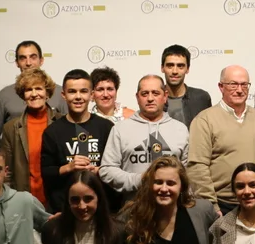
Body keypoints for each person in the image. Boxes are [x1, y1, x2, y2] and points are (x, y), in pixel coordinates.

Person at [100, 75, 190, 203]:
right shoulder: (120, 129)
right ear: (137, 97)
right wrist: (140, 180)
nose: (150, 98)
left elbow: (187, 172)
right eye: (144, 94)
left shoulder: (180, 129)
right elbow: (107, 170)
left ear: (165, 96)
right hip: (133, 207)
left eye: (155, 93)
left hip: (172, 208)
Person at [187, 65, 255, 215]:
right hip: (222, 204)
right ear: (221, 87)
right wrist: (211, 206)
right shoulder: (204, 120)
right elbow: (197, 167)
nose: (239, 90)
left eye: (244, 84)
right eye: (233, 84)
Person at [41, 68, 116, 213]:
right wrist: (69, 167)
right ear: (63, 95)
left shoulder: (106, 127)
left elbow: (117, 167)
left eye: (83, 91)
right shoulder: (52, 131)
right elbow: (46, 172)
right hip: (66, 209)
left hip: (103, 208)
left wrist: (100, 170)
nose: (78, 97)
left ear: (91, 95)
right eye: (72, 91)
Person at [0, 67, 63, 206]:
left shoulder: (62, 122)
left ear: (47, 93)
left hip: (56, 198)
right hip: (23, 200)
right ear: (23, 95)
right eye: (29, 90)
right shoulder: (10, 128)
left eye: (39, 88)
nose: (34, 94)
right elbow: (6, 172)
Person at [0, 40, 66, 129]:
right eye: (23, 58)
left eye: (33, 57)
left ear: (41, 60)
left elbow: (69, 129)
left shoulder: (60, 93)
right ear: (17, 63)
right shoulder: (4, 95)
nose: (28, 63)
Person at [162, 44, 212, 128]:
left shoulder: (201, 98)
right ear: (162, 68)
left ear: (187, 69)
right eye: (170, 65)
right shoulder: (154, 98)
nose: (175, 71)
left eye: (180, 66)